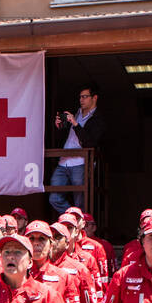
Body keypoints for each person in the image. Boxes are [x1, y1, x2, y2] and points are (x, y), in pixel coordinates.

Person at [50, 84, 103, 217]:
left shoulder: (99, 119)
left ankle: (79, 224)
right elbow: (63, 137)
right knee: (54, 198)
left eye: (85, 97)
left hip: (81, 163)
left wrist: (75, 124)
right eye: (80, 97)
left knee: (80, 201)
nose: (81, 100)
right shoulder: (76, 112)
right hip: (63, 161)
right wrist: (60, 126)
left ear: (94, 98)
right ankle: (75, 218)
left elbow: (89, 142)